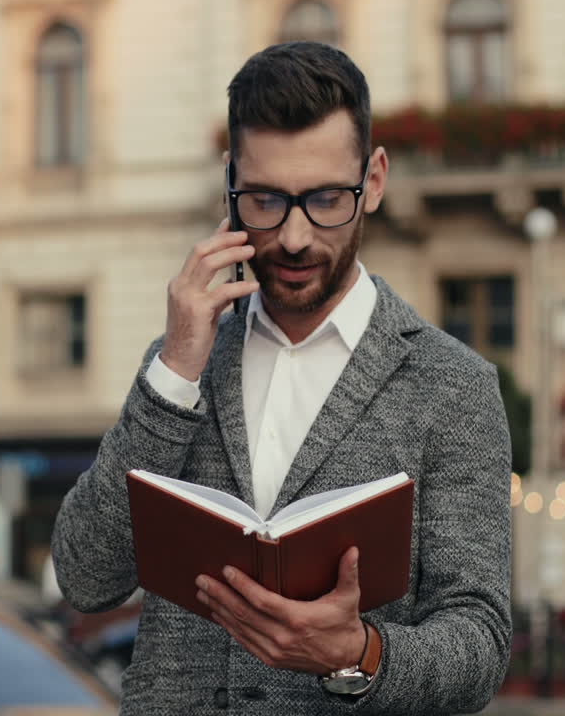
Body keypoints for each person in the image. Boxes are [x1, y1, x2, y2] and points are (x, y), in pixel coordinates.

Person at [52, 41, 512, 715]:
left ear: (375, 181)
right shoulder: (184, 359)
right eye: (265, 200)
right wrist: (174, 372)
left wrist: (358, 652)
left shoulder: (453, 386)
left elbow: (479, 643)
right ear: (231, 183)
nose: (294, 237)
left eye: (326, 198)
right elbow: (85, 577)